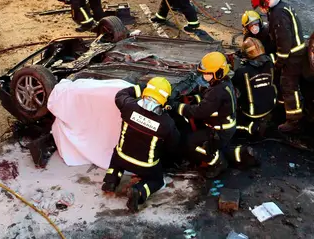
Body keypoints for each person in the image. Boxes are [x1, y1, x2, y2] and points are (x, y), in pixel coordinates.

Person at [169, 52, 256, 177]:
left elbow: (199, 111)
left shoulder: (217, 91)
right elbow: (209, 100)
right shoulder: (223, 83)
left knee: (189, 142)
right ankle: (233, 153)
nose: (204, 76)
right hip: (223, 126)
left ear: (218, 73)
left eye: (207, 73)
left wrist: (177, 107)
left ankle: (217, 162)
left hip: (219, 132)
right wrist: (195, 99)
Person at [101, 77, 180, 212]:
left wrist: (139, 88)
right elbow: (174, 145)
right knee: (158, 181)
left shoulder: (128, 107)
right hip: (146, 166)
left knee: (117, 153)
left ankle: (111, 180)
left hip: (122, 158)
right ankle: (140, 191)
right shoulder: (167, 123)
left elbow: (120, 95)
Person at [251, 0, 307, 134]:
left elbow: (284, 41)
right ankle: (284, 110)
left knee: (289, 85)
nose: (261, 10)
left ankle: (294, 120)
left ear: (264, 2)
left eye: (260, 7)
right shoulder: (280, 8)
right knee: (283, 82)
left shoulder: (278, 14)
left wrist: (279, 62)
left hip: (292, 56)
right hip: (294, 53)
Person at [232, 38, 277, 138]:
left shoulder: (242, 71)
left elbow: (233, 84)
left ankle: (251, 127)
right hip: (270, 106)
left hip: (252, 112)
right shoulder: (270, 64)